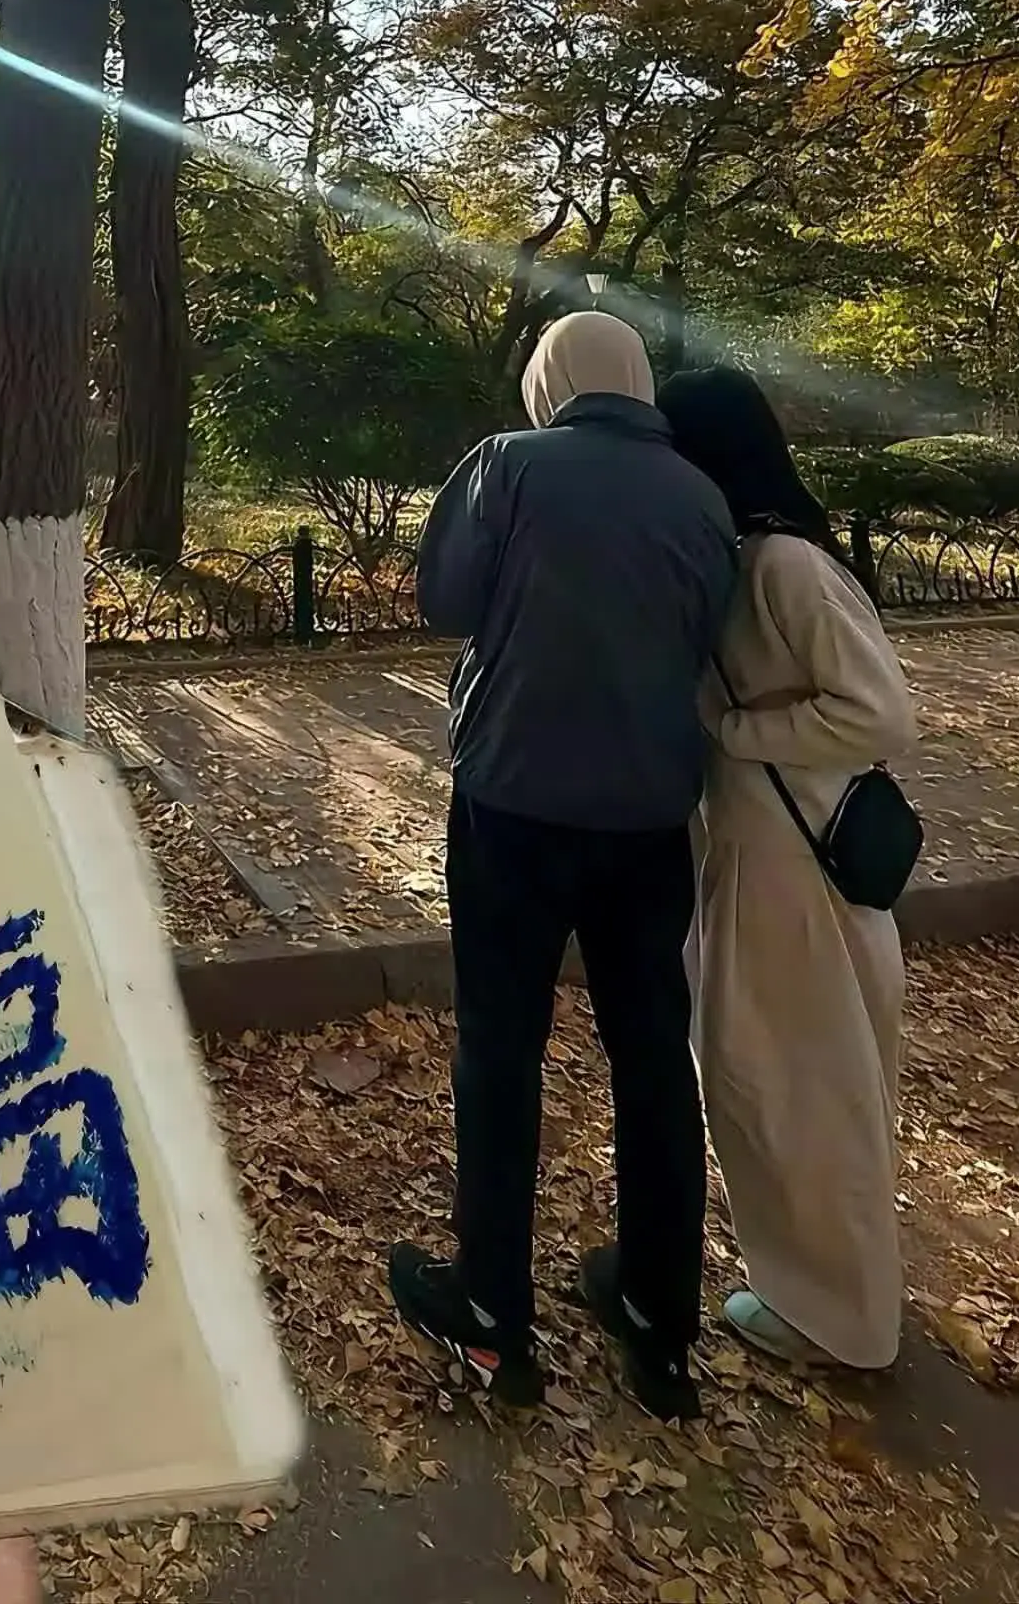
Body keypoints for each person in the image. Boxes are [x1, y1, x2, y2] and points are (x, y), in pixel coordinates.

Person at [387, 310, 736, 1422]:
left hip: (515, 804)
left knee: (503, 1052)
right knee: (650, 1057)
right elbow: (707, 631)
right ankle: (658, 1316)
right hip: (648, 817)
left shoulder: (509, 465)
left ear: (551, 380)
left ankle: (492, 1310)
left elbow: (443, 599)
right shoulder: (699, 494)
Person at [661, 367, 918, 1373]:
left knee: (808, 1088)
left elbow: (882, 713)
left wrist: (735, 727)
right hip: (762, 857)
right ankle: (821, 1290)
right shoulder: (740, 560)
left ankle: (838, 1321)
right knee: (777, 1080)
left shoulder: (784, 569)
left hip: (801, 864)